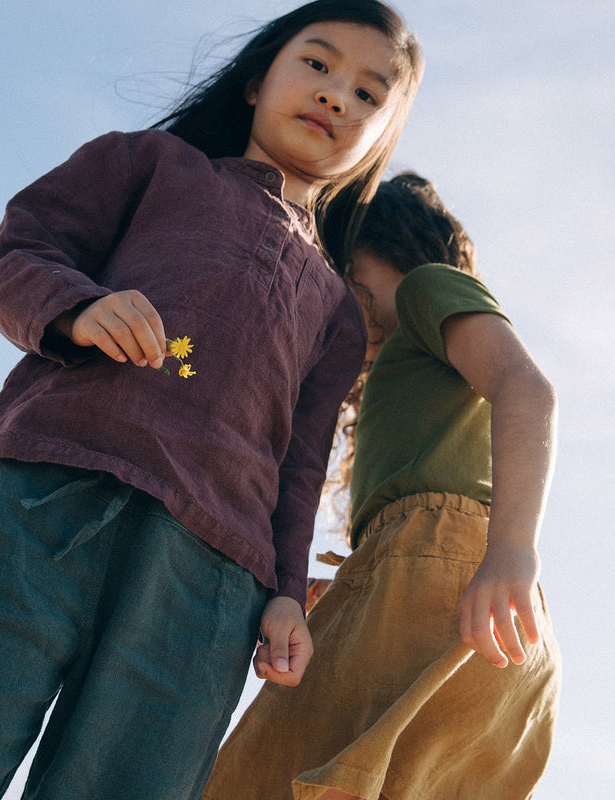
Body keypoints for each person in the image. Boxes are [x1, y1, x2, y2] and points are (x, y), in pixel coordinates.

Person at [0, 3, 424, 798]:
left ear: (382, 135)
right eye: (319, 64)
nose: (338, 95)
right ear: (260, 78)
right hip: (40, 498)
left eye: (371, 94)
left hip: (209, 583)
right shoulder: (150, 163)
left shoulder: (334, 308)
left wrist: (286, 597)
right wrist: (76, 306)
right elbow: (21, 248)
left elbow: (299, 465)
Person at [203, 174, 561, 800]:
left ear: (387, 245)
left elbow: (527, 388)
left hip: (454, 574)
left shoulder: (428, 289)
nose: (334, 292)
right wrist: (352, 586)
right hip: (435, 584)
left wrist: (512, 547)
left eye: (342, 268)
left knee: (264, 777)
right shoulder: (396, 370)